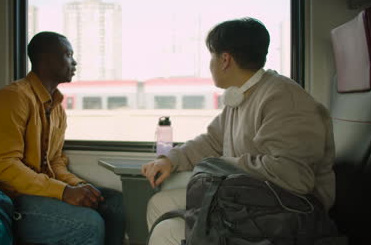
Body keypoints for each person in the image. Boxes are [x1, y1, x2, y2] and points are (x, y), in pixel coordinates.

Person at [141, 17, 335, 245]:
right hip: (252, 195)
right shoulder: (241, 97)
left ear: (225, 60)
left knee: (168, 232)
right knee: (159, 204)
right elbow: (212, 141)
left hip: (288, 211)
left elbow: (293, 175)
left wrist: (223, 168)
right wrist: (170, 160)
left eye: (211, 57)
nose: (210, 65)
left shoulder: (283, 99)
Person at [0, 31, 126, 245]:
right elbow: (3, 166)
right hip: (1, 196)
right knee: (89, 224)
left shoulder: (57, 109)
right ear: (45, 59)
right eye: (68, 55)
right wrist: (63, 192)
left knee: (115, 203)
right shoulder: (12, 98)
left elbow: (54, 161)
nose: (75, 62)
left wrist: (78, 186)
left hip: (33, 190)